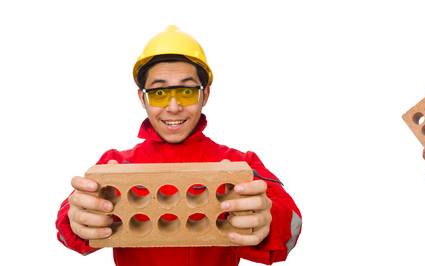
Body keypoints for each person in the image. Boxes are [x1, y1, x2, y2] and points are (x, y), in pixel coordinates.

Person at [55, 25, 304, 265]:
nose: (173, 107)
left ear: (204, 95)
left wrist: (269, 218)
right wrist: (75, 217)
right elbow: (67, 229)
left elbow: (291, 226)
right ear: (142, 98)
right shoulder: (116, 164)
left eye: (186, 91)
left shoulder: (240, 164)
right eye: (159, 93)